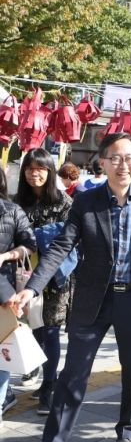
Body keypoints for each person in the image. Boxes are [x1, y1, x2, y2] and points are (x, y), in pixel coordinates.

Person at [13, 133, 131, 442]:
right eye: (115, 158)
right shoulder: (87, 201)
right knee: (74, 373)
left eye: (129, 158)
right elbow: (61, 246)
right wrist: (33, 287)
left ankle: (128, 431)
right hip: (92, 299)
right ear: (102, 162)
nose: (122, 165)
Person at [15, 149, 74, 416]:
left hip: (55, 277)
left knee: (50, 330)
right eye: (29, 168)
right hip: (24, 276)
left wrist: (34, 236)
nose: (34, 173)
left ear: (50, 171)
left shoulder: (64, 202)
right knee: (34, 328)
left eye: (40, 168)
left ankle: (49, 387)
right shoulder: (18, 202)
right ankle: (39, 373)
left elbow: (70, 236)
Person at [0, 168, 37, 428]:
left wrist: (6, 256)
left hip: (4, 292)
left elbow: (29, 245)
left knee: (2, 353)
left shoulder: (12, 210)